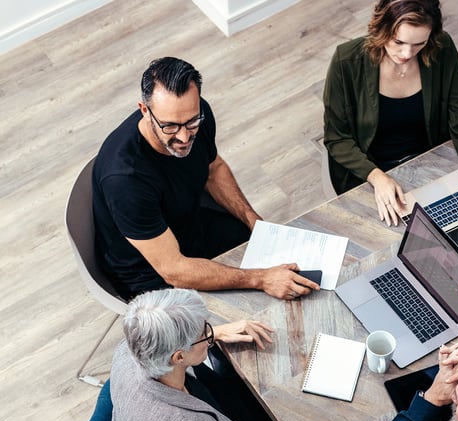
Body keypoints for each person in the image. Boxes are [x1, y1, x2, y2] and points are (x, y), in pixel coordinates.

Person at [93, 57, 318, 301]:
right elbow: (174, 270)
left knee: (284, 263)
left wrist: (254, 221)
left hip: (189, 226)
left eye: (191, 122)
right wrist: (261, 278)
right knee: (249, 310)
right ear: (145, 111)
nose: (183, 136)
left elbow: (215, 169)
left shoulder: (200, 114)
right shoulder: (125, 180)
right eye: (169, 126)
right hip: (148, 271)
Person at [110, 288, 352, 421]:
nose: (209, 334)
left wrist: (218, 332)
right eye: (203, 332)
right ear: (179, 356)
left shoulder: (129, 349)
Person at [323, 0, 458, 226]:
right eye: (398, 42)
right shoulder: (346, 61)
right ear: (381, 28)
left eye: (418, 44)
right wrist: (377, 177)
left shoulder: (441, 49)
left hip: (433, 160)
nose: (406, 53)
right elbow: (337, 138)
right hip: (371, 171)